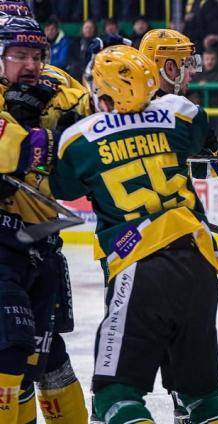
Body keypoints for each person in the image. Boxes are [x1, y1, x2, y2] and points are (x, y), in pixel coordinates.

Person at [38, 44, 218, 423]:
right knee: (203, 396)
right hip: (199, 260)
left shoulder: (79, 138)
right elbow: (202, 146)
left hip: (139, 265)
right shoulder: (181, 113)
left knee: (115, 396)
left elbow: (60, 187)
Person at [0, 14, 91, 423]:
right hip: (1, 245)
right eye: (18, 54)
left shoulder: (59, 86)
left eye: (37, 54)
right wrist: (34, 134)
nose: (31, 64)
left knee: (51, 361)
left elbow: (98, 116)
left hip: (44, 244)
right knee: (9, 353)